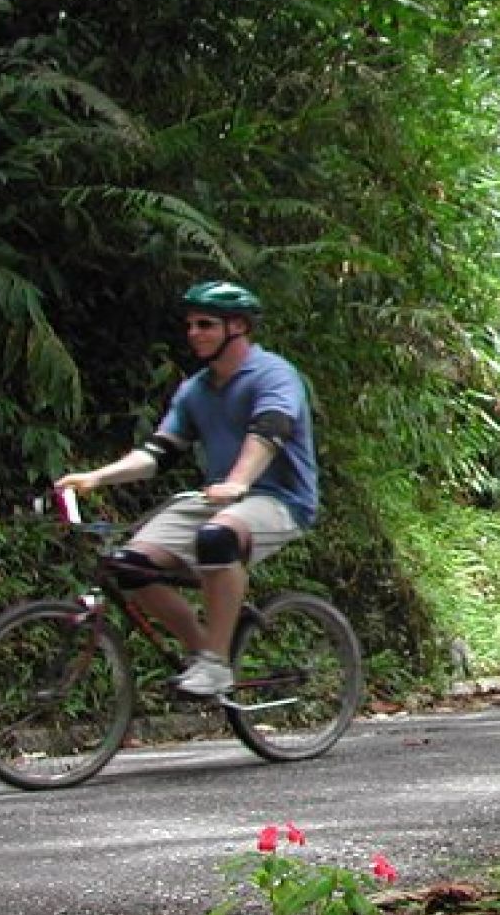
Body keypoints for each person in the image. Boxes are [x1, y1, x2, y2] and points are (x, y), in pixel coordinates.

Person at [54, 281, 318, 698]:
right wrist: (97, 477)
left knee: (218, 538)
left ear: (239, 327)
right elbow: (160, 452)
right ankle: (207, 655)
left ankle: (215, 663)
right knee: (128, 566)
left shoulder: (273, 375)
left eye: (206, 325)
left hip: (278, 499)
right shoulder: (196, 389)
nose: (194, 333)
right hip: (219, 496)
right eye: (191, 325)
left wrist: (238, 482)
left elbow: (271, 430)